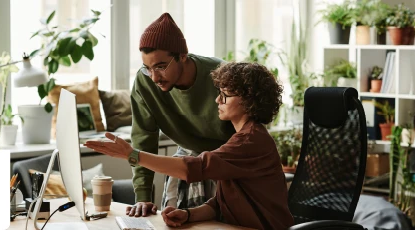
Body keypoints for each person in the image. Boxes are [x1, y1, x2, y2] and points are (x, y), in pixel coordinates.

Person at [85, 62, 293, 229]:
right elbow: (221, 204)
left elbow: (192, 168)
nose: (217, 100)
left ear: (249, 101)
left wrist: (132, 155)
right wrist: (187, 214)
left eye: (225, 95)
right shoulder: (241, 137)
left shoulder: (250, 141)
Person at [127, 12, 236, 217]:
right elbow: (143, 138)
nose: (154, 77)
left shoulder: (222, 75)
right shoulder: (145, 82)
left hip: (227, 164)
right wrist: (143, 196)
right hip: (186, 158)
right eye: (147, 68)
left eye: (160, 67)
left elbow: (248, 135)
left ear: (182, 56)